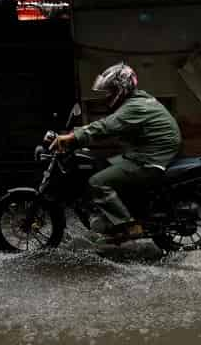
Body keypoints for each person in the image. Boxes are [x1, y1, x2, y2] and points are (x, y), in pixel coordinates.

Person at [50, 63, 182, 236]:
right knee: (102, 165)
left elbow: (106, 126)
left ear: (122, 88)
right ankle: (118, 210)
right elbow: (110, 125)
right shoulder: (138, 100)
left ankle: (128, 226)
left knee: (97, 182)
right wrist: (76, 135)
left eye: (111, 90)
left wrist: (72, 137)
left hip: (150, 158)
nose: (108, 95)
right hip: (146, 152)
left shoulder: (134, 107)